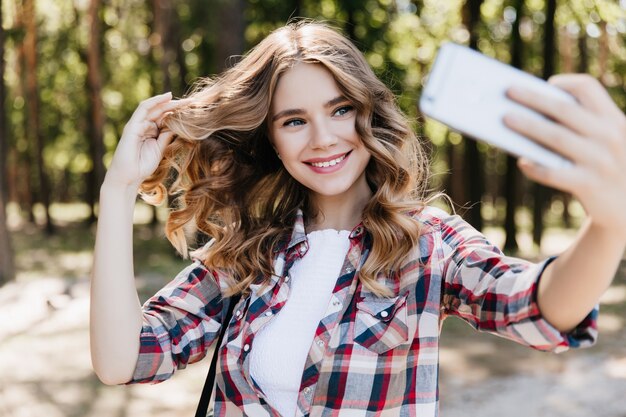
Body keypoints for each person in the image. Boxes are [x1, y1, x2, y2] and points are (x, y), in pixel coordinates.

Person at [90, 20, 626, 417]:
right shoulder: (249, 254)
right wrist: (118, 190)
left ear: (368, 111)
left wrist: (610, 224)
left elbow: (536, 306)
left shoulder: (428, 245)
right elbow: (123, 359)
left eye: (340, 109)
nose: (323, 139)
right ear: (270, 137)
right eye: (294, 120)